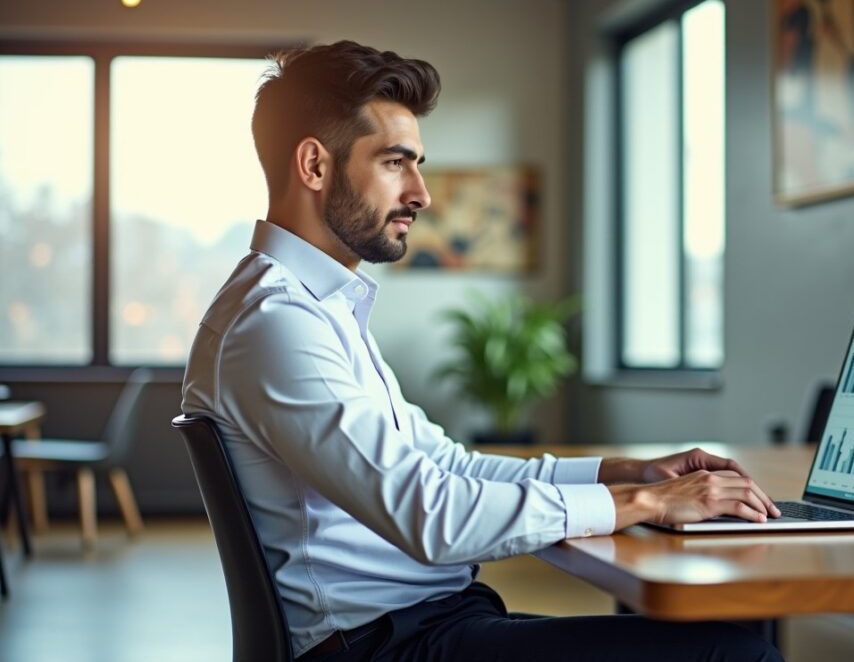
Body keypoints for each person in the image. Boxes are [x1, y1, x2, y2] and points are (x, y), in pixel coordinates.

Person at [182, 40, 784, 662]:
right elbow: (431, 513)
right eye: (395, 163)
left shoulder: (317, 308)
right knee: (735, 657)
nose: (421, 193)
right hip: (385, 646)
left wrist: (627, 474)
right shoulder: (277, 324)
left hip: (423, 624)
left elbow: (446, 467)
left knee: (720, 645)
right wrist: (647, 503)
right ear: (313, 165)